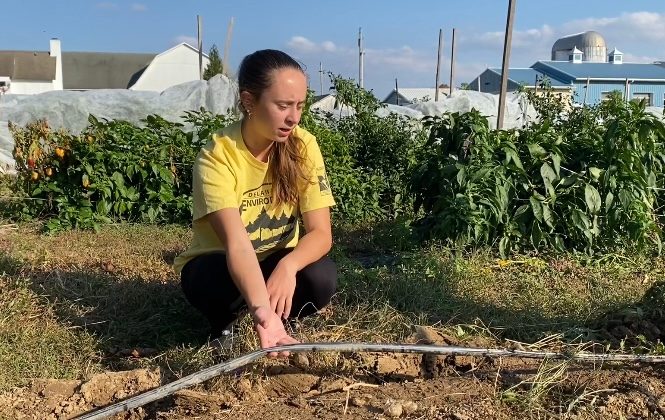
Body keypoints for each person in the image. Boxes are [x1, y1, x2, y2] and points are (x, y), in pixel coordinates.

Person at [173, 49, 337, 356]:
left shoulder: (304, 146)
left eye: (299, 106)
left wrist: (288, 267)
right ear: (250, 102)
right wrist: (261, 308)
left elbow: (321, 233)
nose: (294, 117)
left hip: (275, 260)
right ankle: (226, 322)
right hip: (224, 263)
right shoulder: (218, 155)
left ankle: (286, 315)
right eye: (283, 105)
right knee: (207, 279)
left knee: (320, 276)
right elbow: (237, 245)